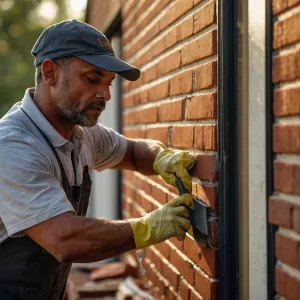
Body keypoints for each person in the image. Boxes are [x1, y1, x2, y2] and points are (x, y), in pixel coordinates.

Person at [0, 20, 196, 300]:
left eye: (109, 82)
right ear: (50, 73)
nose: (105, 95)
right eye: (93, 79)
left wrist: (163, 158)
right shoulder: (13, 145)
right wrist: (151, 226)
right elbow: (64, 238)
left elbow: (131, 152)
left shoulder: (81, 134)